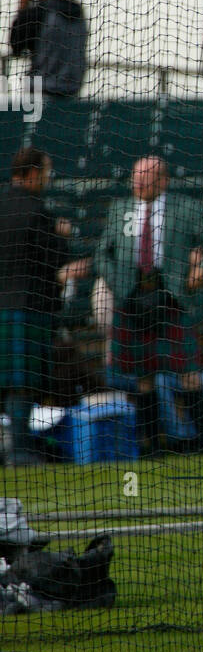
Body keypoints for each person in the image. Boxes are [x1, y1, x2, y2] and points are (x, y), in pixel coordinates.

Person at [93, 156, 203, 456]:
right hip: (133, 300)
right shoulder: (120, 209)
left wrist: (202, 268)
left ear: (163, 181)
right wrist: (120, 285)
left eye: (145, 177)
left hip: (172, 297)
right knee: (142, 377)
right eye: (135, 177)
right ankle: (151, 446)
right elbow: (102, 254)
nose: (137, 182)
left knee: (189, 373)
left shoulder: (185, 208)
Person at [0, 147, 87, 463]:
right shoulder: (40, 213)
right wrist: (61, 235)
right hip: (29, 307)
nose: (48, 179)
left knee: (7, 383)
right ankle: (20, 450)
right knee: (22, 385)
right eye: (47, 172)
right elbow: (56, 261)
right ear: (33, 173)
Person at [8, 0, 87, 99]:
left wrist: (23, 5)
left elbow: (17, 45)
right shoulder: (76, 11)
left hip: (41, 91)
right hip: (72, 90)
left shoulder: (38, 13)